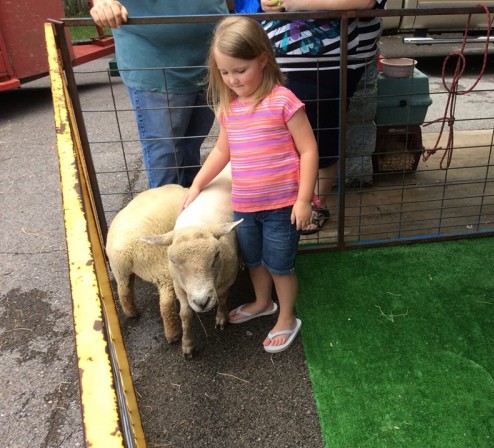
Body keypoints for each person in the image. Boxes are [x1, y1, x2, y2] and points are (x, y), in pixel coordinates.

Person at [179, 16, 319, 353]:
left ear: (263, 59)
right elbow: (221, 151)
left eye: (240, 70)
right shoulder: (229, 108)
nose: (232, 79)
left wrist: (303, 200)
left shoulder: (282, 100)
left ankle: (286, 317)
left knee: (280, 265)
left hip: (282, 207)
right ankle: (262, 302)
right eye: (225, 72)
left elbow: (309, 149)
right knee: (254, 261)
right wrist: (197, 184)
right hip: (244, 206)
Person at [259, 0, 387, 234]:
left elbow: (365, 1)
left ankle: (315, 203)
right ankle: (287, 201)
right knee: (280, 137)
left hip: (332, 62)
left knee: (324, 135)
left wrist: (295, 3)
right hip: (274, 59)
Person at [90, 0, 230, 188]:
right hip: (154, 61)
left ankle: (188, 206)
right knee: (165, 155)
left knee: (192, 147)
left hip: (209, 59)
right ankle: (168, 212)